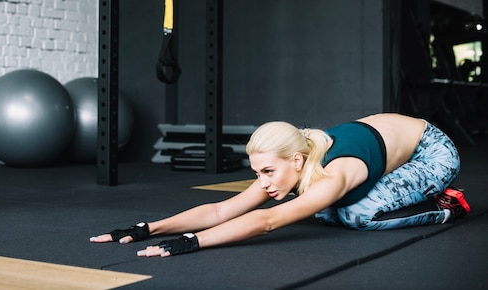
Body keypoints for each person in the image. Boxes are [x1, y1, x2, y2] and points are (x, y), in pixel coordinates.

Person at [90, 113, 470, 257]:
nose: (262, 182)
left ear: (297, 161)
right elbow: (223, 209)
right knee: (321, 206)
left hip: (430, 150)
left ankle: (446, 205)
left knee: (355, 212)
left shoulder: (336, 172)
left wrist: (190, 244)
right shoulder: (286, 163)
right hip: (386, 148)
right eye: (258, 173)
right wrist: (146, 228)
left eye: (267, 173)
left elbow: (267, 221)